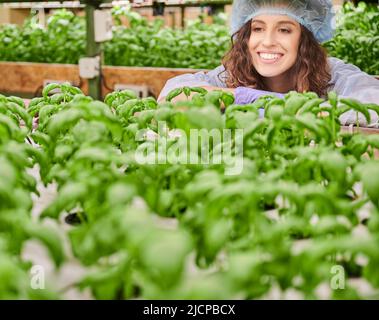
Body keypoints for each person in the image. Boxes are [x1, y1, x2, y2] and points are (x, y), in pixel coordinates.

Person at [158, 0, 379, 126]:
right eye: (258, 29)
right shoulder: (234, 73)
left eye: (284, 30)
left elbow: (373, 107)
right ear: (247, 37)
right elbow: (172, 95)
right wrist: (238, 96)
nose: (268, 42)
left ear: (305, 40)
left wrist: (271, 105)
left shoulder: (334, 74)